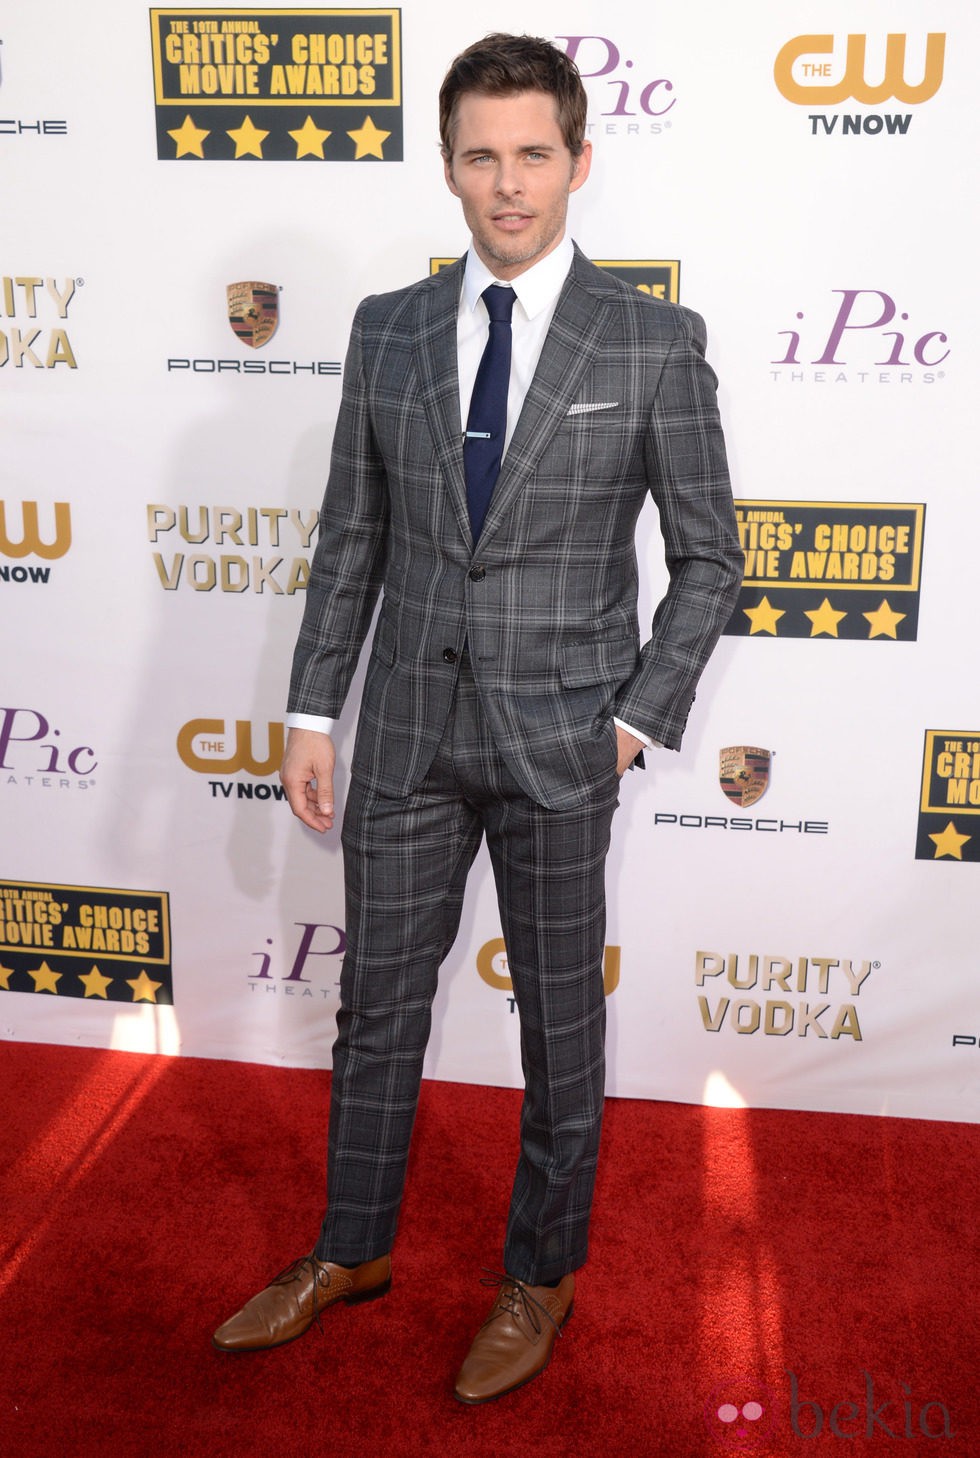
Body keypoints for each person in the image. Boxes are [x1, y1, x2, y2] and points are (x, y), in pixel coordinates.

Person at [213, 32, 743, 1403]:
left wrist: (634, 717)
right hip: (401, 733)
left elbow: (711, 558)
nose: (508, 184)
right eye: (480, 155)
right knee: (376, 1010)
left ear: (578, 159)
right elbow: (352, 535)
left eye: (533, 154)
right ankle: (351, 1248)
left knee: (560, 1028)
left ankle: (541, 1272)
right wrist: (311, 706)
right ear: (446, 163)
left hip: (565, 743)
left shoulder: (653, 339)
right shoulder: (388, 327)